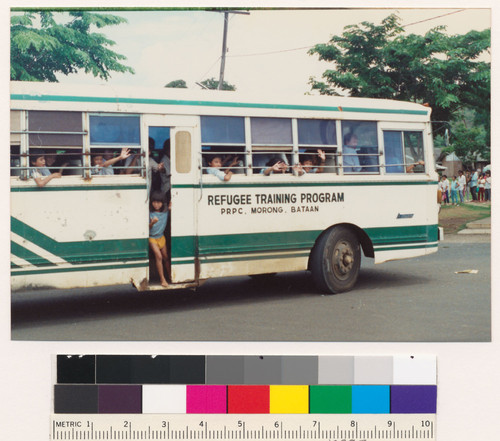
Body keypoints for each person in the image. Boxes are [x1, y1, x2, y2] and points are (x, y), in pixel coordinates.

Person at [149, 192, 171, 287]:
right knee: (159, 257)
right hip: (152, 238)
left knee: (165, 257)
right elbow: (146, 229)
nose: (156, 205)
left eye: (159, 202)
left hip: (161, 237)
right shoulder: (149, 213)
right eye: (154, 202)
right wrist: (152, 223)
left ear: (162, 203)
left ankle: (170, 275)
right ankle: (163, 279)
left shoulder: (165, 212)